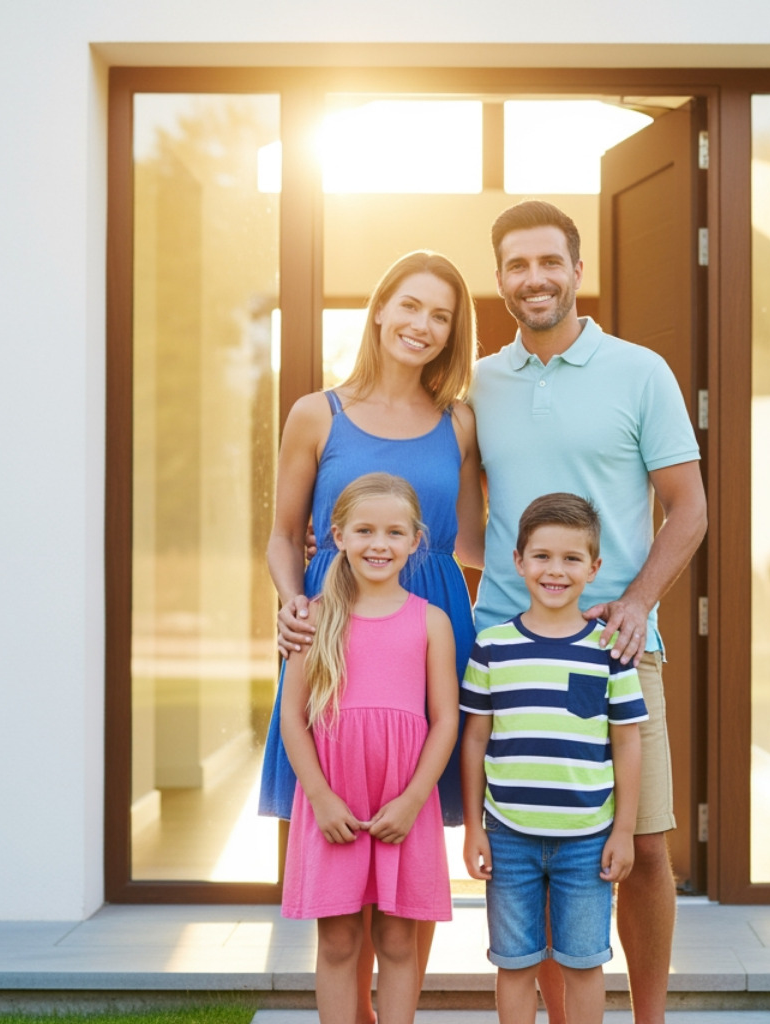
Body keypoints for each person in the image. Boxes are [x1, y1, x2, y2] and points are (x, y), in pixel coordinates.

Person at [471, 200, 706, 1024]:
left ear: (577, 270)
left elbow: (689, 507)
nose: (533, 278)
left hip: (615, 649)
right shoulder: (480, 382)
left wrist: (638, 600)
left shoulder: (640, 372)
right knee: (529, 847)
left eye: (549, 262)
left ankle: (648, 1020)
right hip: (507, 654)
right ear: (500, 278)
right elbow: (460, 524)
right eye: (516, 265)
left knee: (642, 846)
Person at [263, 250, 481, 1022]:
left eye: (441, 316)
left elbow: (473, 541)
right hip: (333, 626)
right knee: (340, 839)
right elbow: (283, 534)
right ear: (380, 308)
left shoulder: (461, 421)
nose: (423, 325)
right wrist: (294, 603)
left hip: (432, 623)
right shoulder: (316, 413)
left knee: (411, 851)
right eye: (411, 305)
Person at [280, 472, 459, 1024]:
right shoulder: (313, 619)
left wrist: (412, 801)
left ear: (415, 540)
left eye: (394, 532)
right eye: (364, 530)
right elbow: (292, 720)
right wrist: (320, 798)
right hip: (334, 799)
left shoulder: (431, 621)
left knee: (399, 940)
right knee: (337, 941)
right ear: (338, 536)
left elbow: (445, 720)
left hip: (403, 800)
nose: (379, 544)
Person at [461, 493, 646, 1024]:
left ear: (594, 568)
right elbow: (475, 740)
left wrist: (623, 831)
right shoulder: (492, 647)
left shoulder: (610, 651)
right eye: (541, 556)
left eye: (571, 558)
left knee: (584, 964)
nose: (555, 570)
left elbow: (626, 742)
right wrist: (473, 828)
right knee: (514, 963)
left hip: (587, 839)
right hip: (508, 835)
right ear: (518, 561)